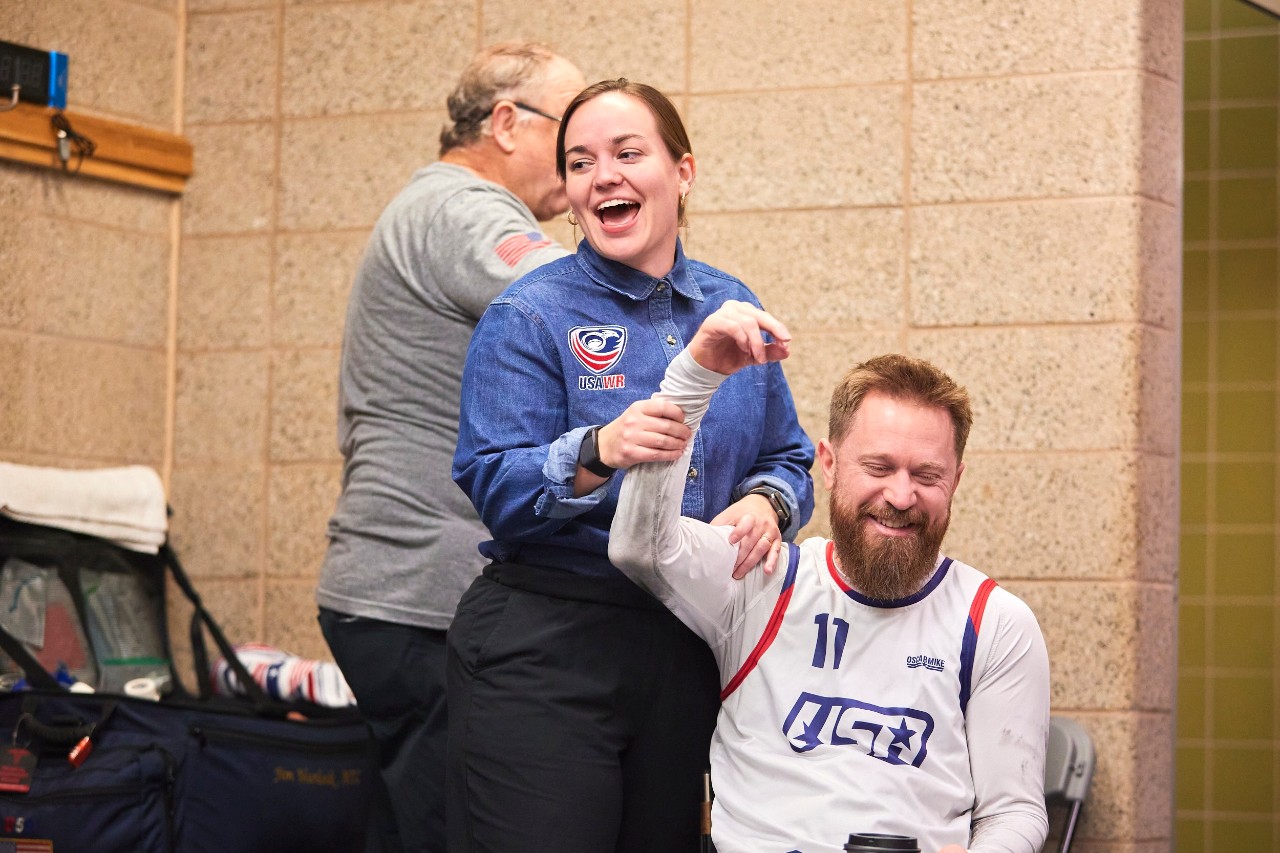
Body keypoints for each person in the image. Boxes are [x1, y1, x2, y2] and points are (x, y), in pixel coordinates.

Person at [448, 79, 816, 853]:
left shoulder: (731, 304)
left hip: (686, 646)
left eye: (627, 153)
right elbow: (492, 482)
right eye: (581, 163)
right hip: (549, 646)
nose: (602, 176)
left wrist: (768, 502)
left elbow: (787, 455)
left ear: (683, 172)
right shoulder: (528, 313)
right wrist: (596, 451)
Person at [607, 304, 1051, 853]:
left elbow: (1014, 811)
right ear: (830, 463)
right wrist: (692, 379)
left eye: (927, 475)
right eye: (879, 468)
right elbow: (640, 547)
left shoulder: (995, 623)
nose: (901, 496)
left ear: (956, 481)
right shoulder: (763, 576)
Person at [315, 42, 586, 853]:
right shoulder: (463, 210)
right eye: (572, 138)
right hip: (420, 596)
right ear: (506, 123)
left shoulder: (429, 205)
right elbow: (581, 308)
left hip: (390, 593)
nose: (584, 167)